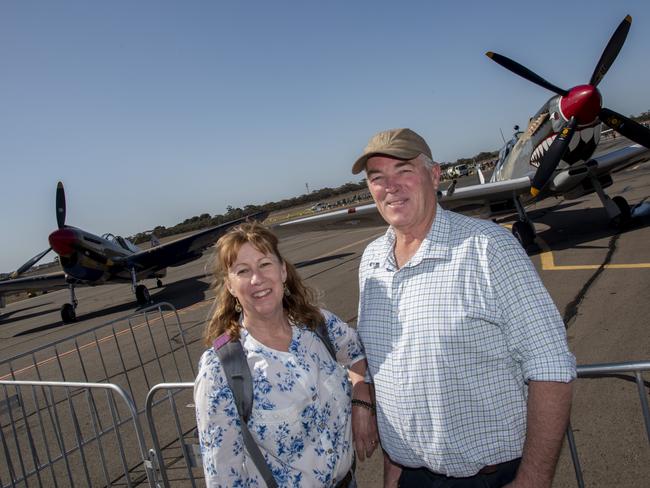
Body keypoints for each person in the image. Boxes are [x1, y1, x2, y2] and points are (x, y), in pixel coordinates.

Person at [352, 128, 576, 488]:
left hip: (490, 478)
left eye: (404, 171)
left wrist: (533, 481)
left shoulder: (489, 248)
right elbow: (388, 373)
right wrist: (392, 474)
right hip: (411, 476)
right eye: (378, 178)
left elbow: (551, 366)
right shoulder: (372, 261)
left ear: (434, 175)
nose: (390, 187)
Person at [194, 222, 378, 487]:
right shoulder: (221, 369)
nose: (257, 279)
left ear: (282, 271)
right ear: (231, 286)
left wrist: (361, 394)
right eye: (243, 271)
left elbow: (357, 353)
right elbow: (223, 476)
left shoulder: (318, 326)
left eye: (265, 264)